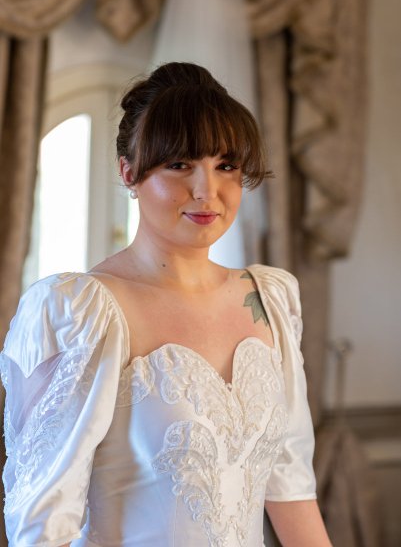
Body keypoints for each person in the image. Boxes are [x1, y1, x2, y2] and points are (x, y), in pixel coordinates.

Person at [0, 62, 332, 546]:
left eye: (226, 166)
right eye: (179, 165)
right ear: (129, 171)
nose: (206, 191)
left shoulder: (271, 300)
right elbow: (42, 525)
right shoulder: (81, 313)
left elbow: (292, 489)